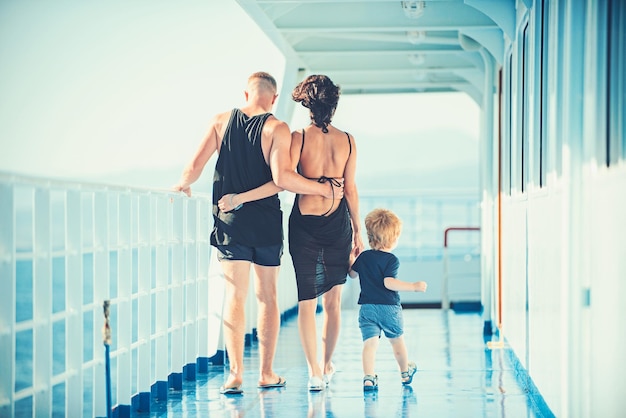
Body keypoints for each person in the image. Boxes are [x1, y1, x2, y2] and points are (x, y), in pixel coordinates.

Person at [174, 72, 342, 395]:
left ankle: (235, 375)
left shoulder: (220, 122)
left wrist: (183, 183)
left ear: (246, 94)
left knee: (234, 295)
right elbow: (282, 179)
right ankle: (266, 373)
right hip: (266, 225)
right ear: (274, 98)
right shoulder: (276, 128)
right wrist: (323, 189)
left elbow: (193, 167)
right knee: (268, 297)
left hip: (230, 222)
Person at [288, 74, 365, 391]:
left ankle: (314, 372)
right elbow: (350, 189)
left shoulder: (298, 138)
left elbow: (286, 178)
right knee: (333, 303)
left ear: (307, 105)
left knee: (307, 302)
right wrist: (358, 231)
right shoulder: (347, 140)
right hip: (339, 223)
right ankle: (327, 363)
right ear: (333, 105)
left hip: (304, 223)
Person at [348, 208, 428, 391]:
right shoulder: (391, 260)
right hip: (389, 309)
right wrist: (413, 286)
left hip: (367, 308)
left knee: (370, 343)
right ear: (393, 239)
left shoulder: (364, 257)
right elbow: (389, 283)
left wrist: (352, 258)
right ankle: (405, 372)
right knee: (397, 341)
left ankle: (368, 377)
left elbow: (352, 274)